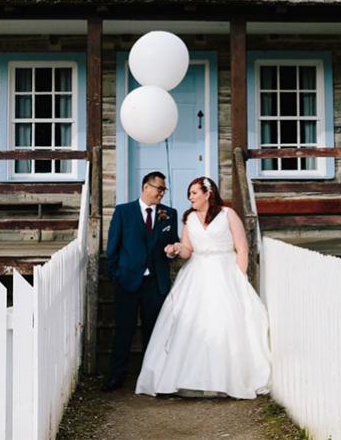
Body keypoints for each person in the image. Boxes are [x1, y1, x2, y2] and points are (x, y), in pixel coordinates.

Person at [135, 176, 272, 399]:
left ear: (208, 194)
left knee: (224, 322)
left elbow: (242, 248)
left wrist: (239, 276)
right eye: (189, 194)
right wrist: (177, 249)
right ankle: (187, 379)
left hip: (225, 270)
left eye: (194, 193)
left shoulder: (228, 215)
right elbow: (189, 250)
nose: (190, 197)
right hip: (195, 273)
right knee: (190, 322)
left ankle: (226, 378)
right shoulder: (188, 218)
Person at [102, 171, 180, 392]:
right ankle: (117, 376)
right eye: (159, 189)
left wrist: (172, 252)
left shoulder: (169, 214)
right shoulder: (123, 211)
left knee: (153, 332)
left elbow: (172, 243)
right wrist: (115, 272)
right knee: (123, 331)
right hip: (127, 280)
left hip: (155, 283)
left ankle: (151, 378)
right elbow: (113, 245)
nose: (162, 193)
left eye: (164, 190)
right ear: (146, 187)